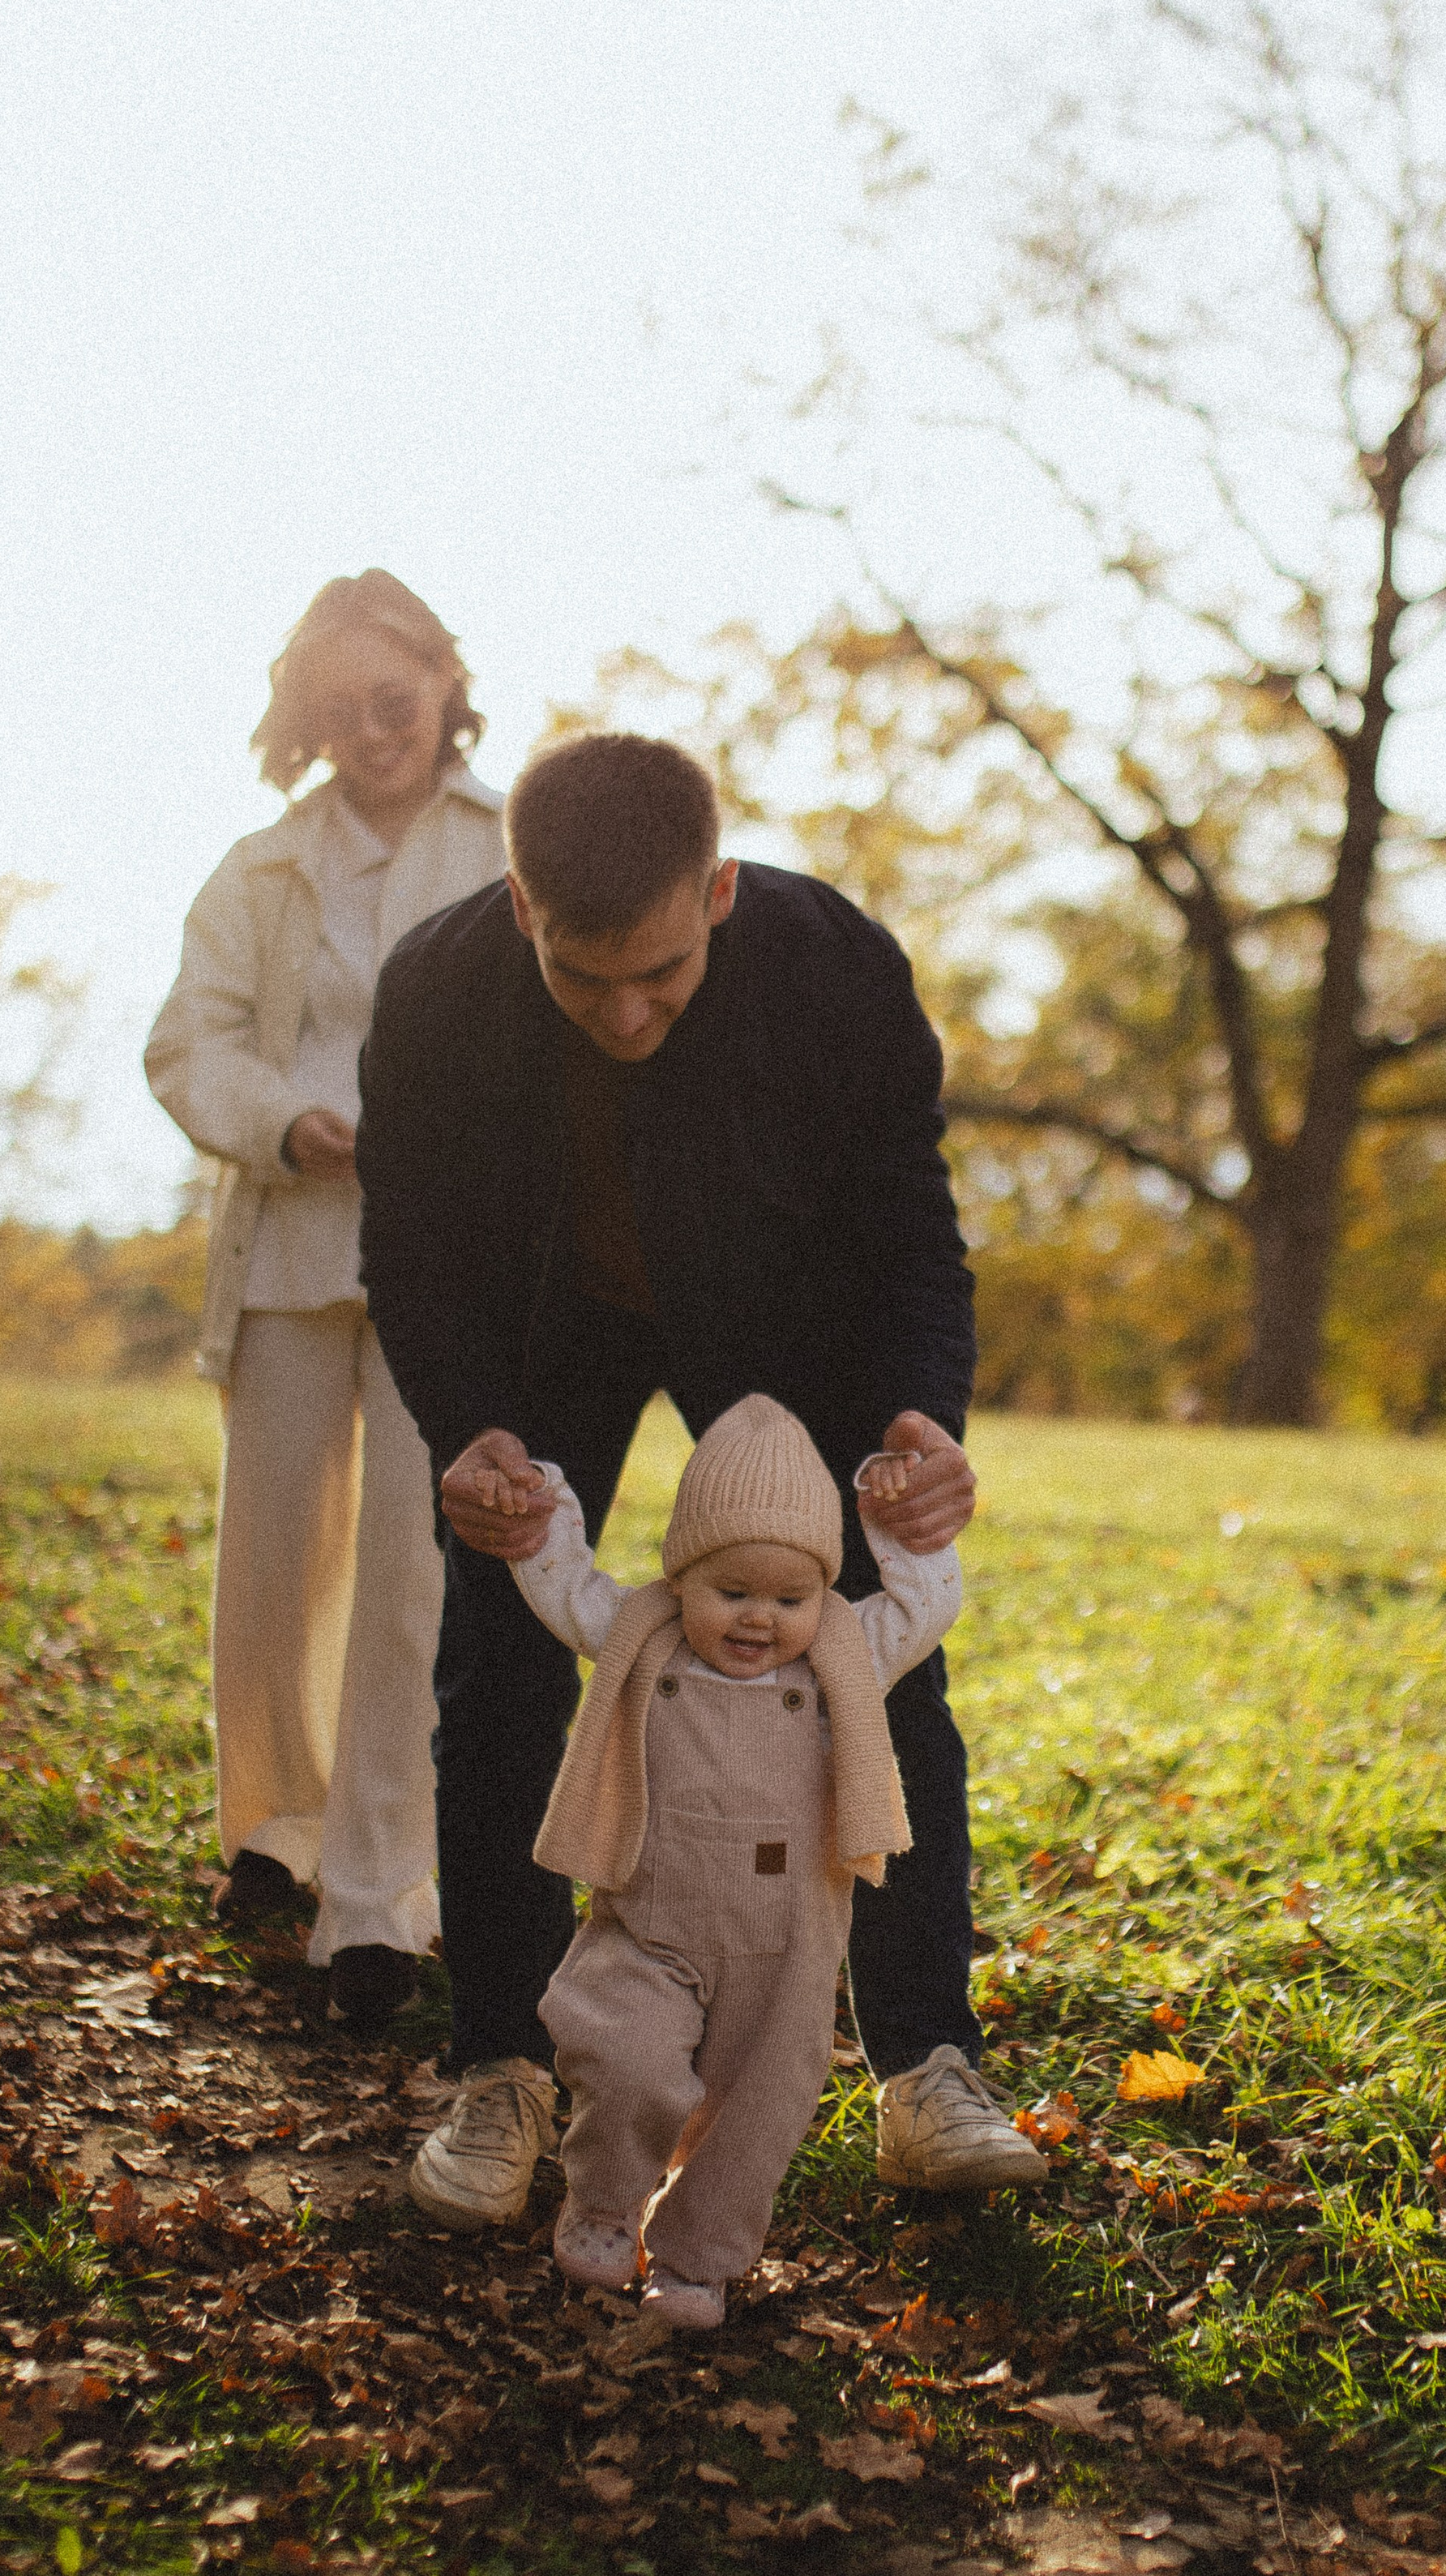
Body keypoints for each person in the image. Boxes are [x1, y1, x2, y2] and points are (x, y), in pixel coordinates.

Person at [356, 729, 1043, 2218]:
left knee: (876, 1660)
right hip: (546, 1330)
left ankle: (925, 2058)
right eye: (582, 975)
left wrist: (919, 1421)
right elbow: (412, 1254)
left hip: (790, 1325)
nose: (624, 1009)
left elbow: (911, 1227)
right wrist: (468, 1423)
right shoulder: (428, 992)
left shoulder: (836, 966)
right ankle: (502, 2069)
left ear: (717, 890)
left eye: (660, 972)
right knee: (499, 1664)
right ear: (523, 909)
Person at [145, 571, 507, 2032]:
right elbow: (191, 1046)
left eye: (395, 700)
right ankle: (273, 1830)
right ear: (306, 716)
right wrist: (290, 1121)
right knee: (279, 1561)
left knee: (413, 1583)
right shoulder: (260, 869)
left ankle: (374, 1898)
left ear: (442, 687)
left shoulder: (506, 846)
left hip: (450, 1255)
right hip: (294, 1243)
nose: (373, 730)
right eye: (341, 707)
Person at [507, 1393, 1020, 2326]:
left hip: (787, 1939)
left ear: (821, 1591)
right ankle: (605, 2200)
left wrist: (886, 1513)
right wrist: (545, 1505)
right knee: (622, 2058)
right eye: (730, 1592)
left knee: (759, 2106)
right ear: (680, 1576)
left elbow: (929, 1600)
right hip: (649, 1915)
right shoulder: (640, 1633)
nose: (758, 1620)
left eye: (789, 1598)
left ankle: (698, 2256)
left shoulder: (846, 1652)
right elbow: (561, 1583)